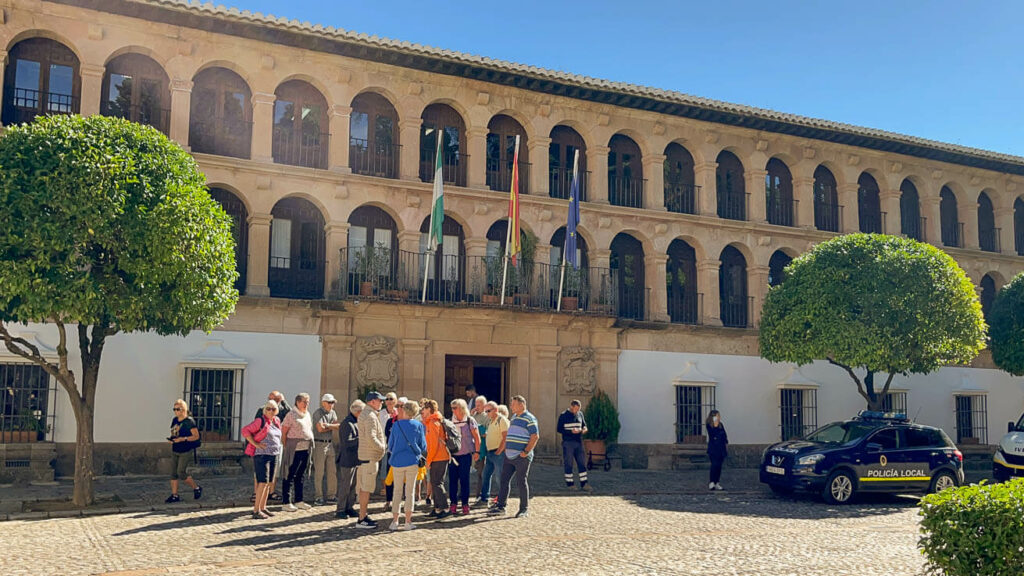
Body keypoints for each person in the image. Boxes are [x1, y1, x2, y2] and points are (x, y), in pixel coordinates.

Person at [488, 395, 539, 518]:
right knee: (504, 480)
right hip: (509, 456)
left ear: (521, 405)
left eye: (513, 404)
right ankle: (501, 506)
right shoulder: (514, 417)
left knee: (521, 481)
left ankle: (523, 509)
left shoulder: (530, 418)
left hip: (521, 456)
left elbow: (535, 436)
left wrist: (526, 451)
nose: (511, 406)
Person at [387, 400, 427, 531]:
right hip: (412, 461)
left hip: (397, 461)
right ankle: (408, 521)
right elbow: (423, 446)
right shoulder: (419, 425)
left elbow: (391, 445)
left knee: (397, 491)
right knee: (410, 491)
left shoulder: (397, 425)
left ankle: (395, 520)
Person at [243, 400, 282, 520]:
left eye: (273, 409)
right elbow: (245, 431)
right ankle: (256, 510)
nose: (271, 411)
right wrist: (255, 443)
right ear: (265, 410)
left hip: (273, 454)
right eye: (269, 409)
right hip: (262, 455)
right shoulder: (260, 420)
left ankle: (263, 507)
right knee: (262, 482)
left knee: (269, 483)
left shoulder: (276, 421)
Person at [252, 391, 291, 502]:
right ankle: (256, 493)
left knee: (274, 471)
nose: (270, 402)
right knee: (260, 472)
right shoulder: (262, 410)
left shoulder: (281, 412)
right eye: (270, 398)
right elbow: (252, 429)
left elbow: (290, 413)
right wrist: (256, 443)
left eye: (275, 399)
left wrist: (283, 401)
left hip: (276, 445)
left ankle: (270, 492)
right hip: (263, 446)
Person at [355, 391, 386, 529]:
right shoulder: (370, 416)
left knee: (364, 488)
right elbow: (371, 437)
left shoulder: (366, 414)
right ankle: (362, 518)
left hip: (365, 457)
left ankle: (363, 515)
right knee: (366, 489)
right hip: (369, 457)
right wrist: (382, 448)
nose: (382, 403)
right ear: (372, 401)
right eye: (380, 400)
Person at [280, 392, 315, 511]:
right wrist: (287, 446)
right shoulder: (291, 415)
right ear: (298, 402)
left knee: (300, 475)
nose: (306, 404)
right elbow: (284, 432)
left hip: (305, 449)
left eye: (308, 402)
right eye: (304, 402)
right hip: (294, 449)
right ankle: (286, 502)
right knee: (289, 474)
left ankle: (299, 500)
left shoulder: (307, 414)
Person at [447, 399, 480, 515]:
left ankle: (465, 504)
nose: (453, 410)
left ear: (461, 408)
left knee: (465, 480)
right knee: (452, 481)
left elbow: (476, 437)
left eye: (455, 407)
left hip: (465, 455)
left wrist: (477, 452)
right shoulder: (450, 421)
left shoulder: (470, 420)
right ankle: (453, 504)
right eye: (452, 408)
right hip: (453, 455)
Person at [166, 399, 202, 503]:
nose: (176, 411)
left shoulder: (189, 422)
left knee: (181, 472)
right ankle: (174, 495)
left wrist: (183, 439)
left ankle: (196, 488)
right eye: (174, 409)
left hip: (185, 450)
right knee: (173, 473)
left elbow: (196, 436)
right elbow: (174, 432)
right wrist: (172, 439)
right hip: (175, 448)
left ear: (183, 410)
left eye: (178, 409)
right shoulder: (175, 420)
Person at [421, 399, 451, 519]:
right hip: (438, 456)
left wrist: (428, 460)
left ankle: (445, 508)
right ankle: (437, 508)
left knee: (437, 483)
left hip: (438, 457)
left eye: (423, 408)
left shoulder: (433, 423)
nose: (421, 411)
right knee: (435, 483)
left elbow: (433, 445)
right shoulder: (432, 422)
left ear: (429, 409)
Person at [335, 399, 363, 519]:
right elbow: (347, 442)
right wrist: (361, 438)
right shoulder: (347, 423)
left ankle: (349, 507)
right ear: (357, 411)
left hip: (355, 459)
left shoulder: (356, 422)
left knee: (353, 486)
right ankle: (340, 509)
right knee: (345, 485)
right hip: (347, 459)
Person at [310, 394, 339, 506]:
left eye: (333, 402)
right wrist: (330, 426)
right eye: (330, 402)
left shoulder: (333, 412)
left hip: (330, 444)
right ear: (324, 403)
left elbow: (338, 426)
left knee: (332, 471)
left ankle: (332, 495)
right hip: (319, 444)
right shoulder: (318, 413)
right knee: (319, 472)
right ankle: (318, 496)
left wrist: (327, 425)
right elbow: (320, 429)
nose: (332, 405)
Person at [557, 399, 591, 491]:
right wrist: (570, 431)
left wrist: (584, 429)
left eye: (578, 409)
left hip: (579, 442)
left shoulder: (580, 414)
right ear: (571, 406)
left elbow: (584, 425)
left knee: (582, 463)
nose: (576, 411)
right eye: (575, 409)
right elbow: (559, 429)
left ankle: (584, 484)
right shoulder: (563, 415)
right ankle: (570, 484)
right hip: (568, 442)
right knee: (569, 463)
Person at [480, 400, 508, 506]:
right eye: (485, 411)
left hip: (498, 453)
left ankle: (501, 501)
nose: (486, 414)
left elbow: (505, 437)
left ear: (495, 410)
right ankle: (484, 498)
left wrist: (499, 450)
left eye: (488, 411)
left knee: (499, 477)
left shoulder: (501, 420)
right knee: (486, 475)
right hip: (490, 453)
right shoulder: (491, 421)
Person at [379, 392, 399, 506]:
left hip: (395, 447)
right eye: (387, 399)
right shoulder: (380, 413)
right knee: (384, 471)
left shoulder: (398, 413)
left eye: (391, 399)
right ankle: (386, 492)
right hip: (384, 444)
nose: (389, 401)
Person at [470, 395, 489, 506]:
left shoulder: (486, 417)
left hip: (482, 448)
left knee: (481, 473)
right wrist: (470, 415)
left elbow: (488, 429)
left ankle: (480, 495)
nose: (477, 407)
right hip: (471, 448)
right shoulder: (473, 416)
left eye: (479, 405)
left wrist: (483, 433)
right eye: (476, 405)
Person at [706, 410, 728, 491]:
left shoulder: (721, 425)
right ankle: (712, 482)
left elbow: (724, 435)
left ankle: (717, 482)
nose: (718, 417)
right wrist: (715, 426)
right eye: (717, 416)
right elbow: (712, 435)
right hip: (713, 449)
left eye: (719, 416)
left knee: (719, 466)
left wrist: (726, 443)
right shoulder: (709, 425)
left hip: (721, 448)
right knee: (714, 465)